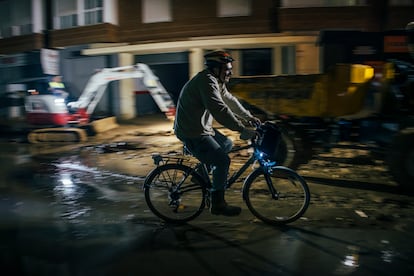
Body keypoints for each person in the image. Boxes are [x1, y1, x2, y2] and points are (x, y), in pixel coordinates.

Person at [174, 50, 260, 216]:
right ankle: (218, 204)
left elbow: (229, 100)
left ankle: (200, 174)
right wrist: (241, 129)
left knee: (227, 143)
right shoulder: (206, 82)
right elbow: (220, 110)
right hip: (192, 131)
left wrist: (249, 117)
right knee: (222, 161)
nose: (230, 72)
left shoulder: (216, 81)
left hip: (201, 128)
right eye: (227, 69)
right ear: (215, 69)